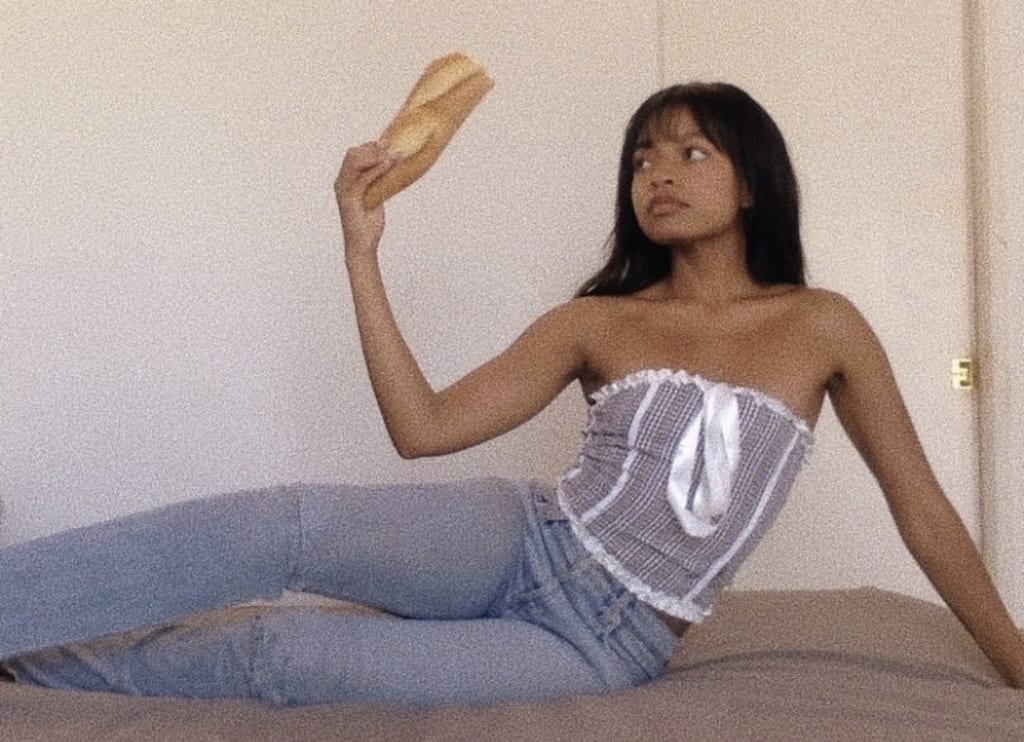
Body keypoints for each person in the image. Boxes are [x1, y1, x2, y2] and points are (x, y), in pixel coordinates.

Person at [1, 82, 1022, 707]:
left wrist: (1015, 661)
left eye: (690, 152)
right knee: (283, 527)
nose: (658, 174)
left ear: (751, 181)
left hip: (596, 643)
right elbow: (422, 427)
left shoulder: (824, 325)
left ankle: (30, 672)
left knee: (281, 655)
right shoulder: (597, 321)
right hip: (519, 536)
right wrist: (361, 252)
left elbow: (925, 514)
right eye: (642, 158)